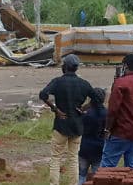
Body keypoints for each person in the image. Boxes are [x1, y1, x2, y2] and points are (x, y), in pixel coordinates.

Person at [40, 53, 99, 185]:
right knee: (73, 158)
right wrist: (84, 108)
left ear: (64, 67)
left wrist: (56, 109)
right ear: (76, 68)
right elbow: (96, 98)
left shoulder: (57, 82)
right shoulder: (84, 84)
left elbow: (43, 95)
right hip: (77, 125)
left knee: (56, 158)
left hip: (60, 125)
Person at [101, 53, 133, 168]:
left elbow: (113, 110)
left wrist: (107, 129)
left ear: (125, 66)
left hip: (120, 131)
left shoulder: (121, 83)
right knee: (132, 165)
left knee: (107, 166)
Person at [78, 87, 106, 185]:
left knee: (81, 176)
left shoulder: (86, 114)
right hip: (99, 148)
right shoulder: (106, 113)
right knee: (96, 177)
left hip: (84, 147)